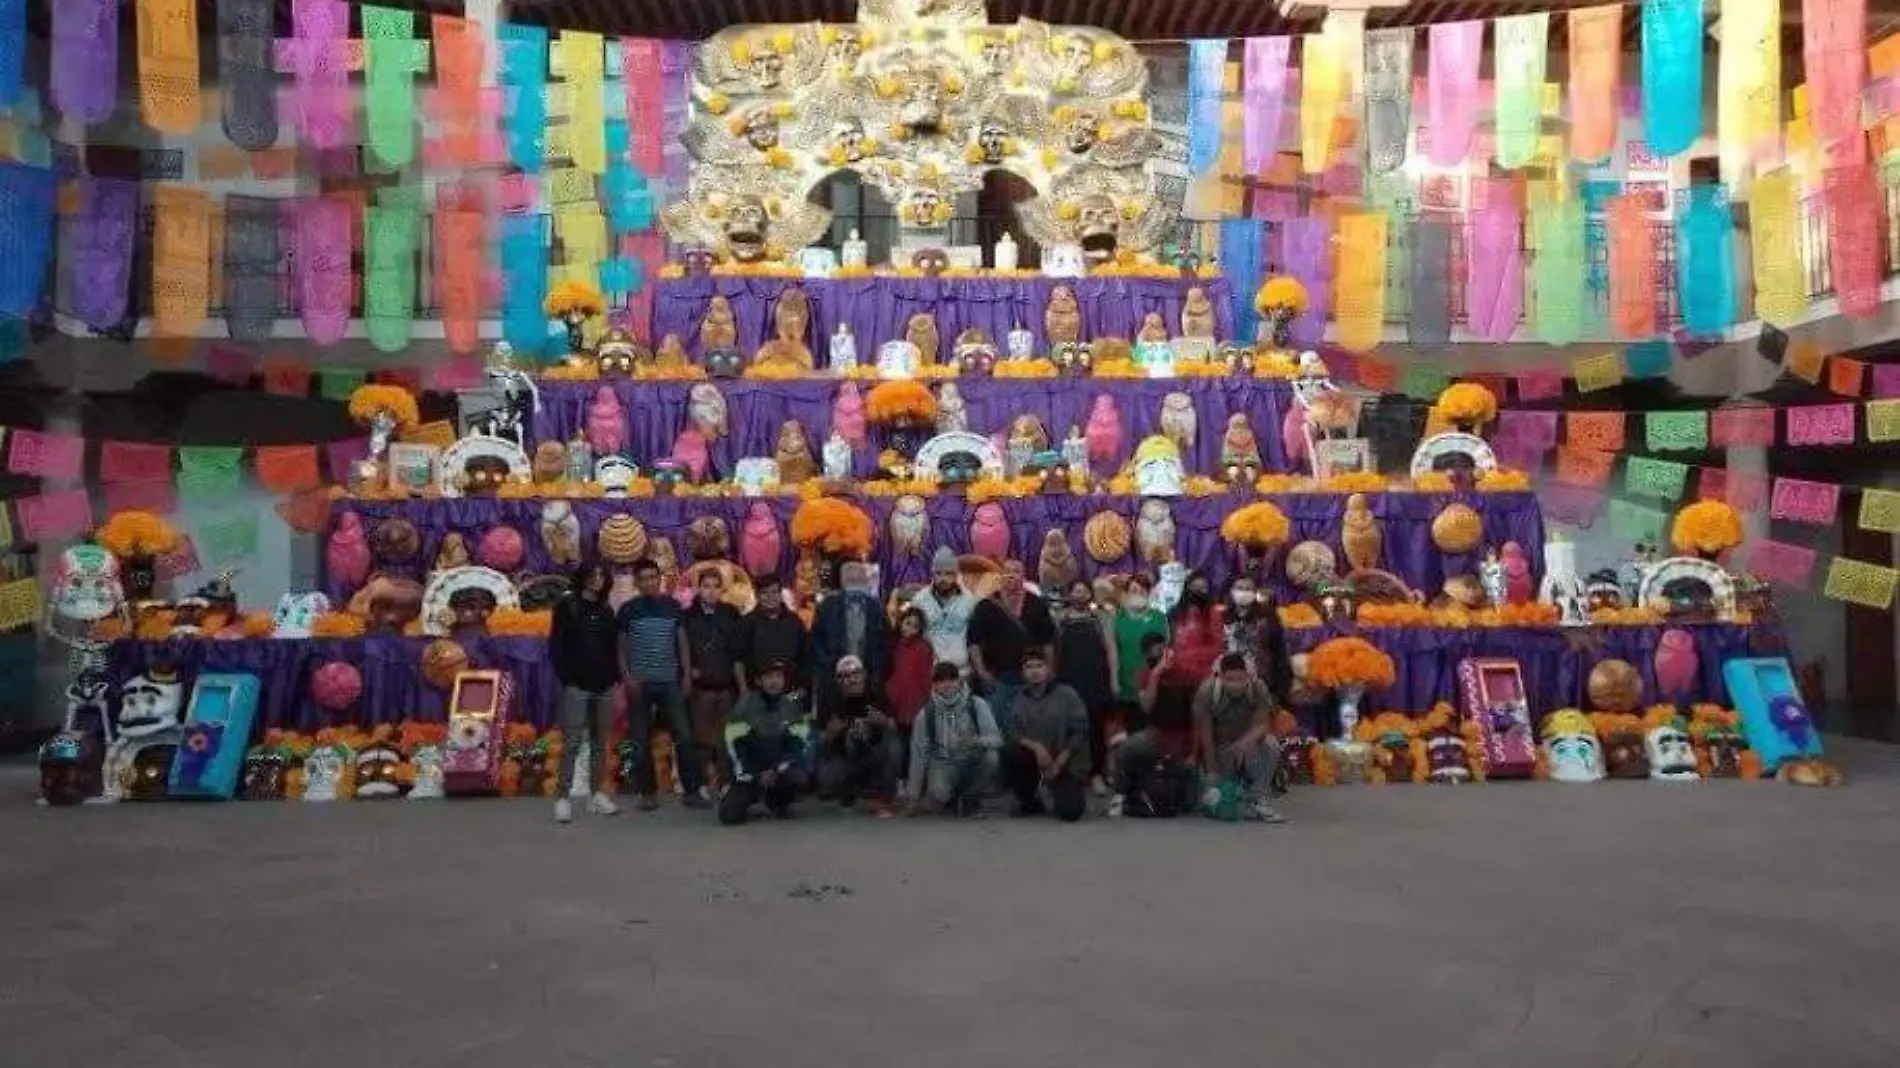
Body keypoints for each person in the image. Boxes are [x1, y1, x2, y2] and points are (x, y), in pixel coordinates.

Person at [616, 557, 708, 810]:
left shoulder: (673, 607)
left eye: (652, 578)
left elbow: (682, 643)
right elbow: (622, 647)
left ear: (660, 579)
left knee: (685, 736)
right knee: (640, 739)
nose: (648, 583)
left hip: (670, 682)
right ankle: (648, 793)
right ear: (636, 583)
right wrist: (627, 675)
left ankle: (692, 792)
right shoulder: (628, 610)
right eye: (643, 579)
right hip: (640, 684)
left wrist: (687, 674)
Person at [548, 561, 620, 823]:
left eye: (601, 574)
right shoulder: (567, 607)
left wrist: (613, 676)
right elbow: (556, 646)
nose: (597, 578)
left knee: (601, 742)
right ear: (584, 577)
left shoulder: (606, 609)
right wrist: (567, 677)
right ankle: (563, 797)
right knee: (573, 742)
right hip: (577, 686)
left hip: (604, 686)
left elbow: (612, 647)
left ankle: (596, 794)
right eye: (593, 573)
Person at [1108, 633, 1199, 818]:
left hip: (1184, 740)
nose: (1160, 656)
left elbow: (1198, 717)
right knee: (1124, 749)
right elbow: (1146, 706)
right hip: (1156, 736)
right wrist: (1156, 674)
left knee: (1187, 803)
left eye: (1162, 650)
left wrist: (1195, 753)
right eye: (1153, 653)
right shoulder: (1145, 675)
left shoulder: (1188, 674)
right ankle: (1120, 794)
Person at [1192, 654, 1288, 823]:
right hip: (1221, 748)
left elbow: (1263, 724)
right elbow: (1205, 734)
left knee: (1270, 744)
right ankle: (1231, 788)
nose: (1235, 684)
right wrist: (1212, 770)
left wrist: (1246, 741)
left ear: (1247, 676)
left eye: (1240, 679)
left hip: (1248, 745)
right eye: (1229, 679)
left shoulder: (1258, 688)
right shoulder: (1207, 691)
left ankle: (1258, 797)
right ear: (1220, 677)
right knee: (1216, 795)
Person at [998, 648, 1090, 822]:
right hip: (1038, 759)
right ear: (1023, 672)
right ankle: (1029, 799)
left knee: (1070, 813)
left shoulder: (1066, 694)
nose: (1034, 671)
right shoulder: (1019, 698)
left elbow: (1080, 731)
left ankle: (1059, 791)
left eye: (1039, 666)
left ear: (1048, 669)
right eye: (1029, 667)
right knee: (1009, 752)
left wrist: (1059, 763)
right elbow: (1012, 732)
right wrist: (1036, 747)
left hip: (1066, 760)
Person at [718, 658, 812, 825]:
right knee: (729, 816)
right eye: (768, 677)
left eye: (778, 677)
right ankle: (748, 798)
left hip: (778, 771)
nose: (774, 682)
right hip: (751, 773)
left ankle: (777, 801)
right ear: (758, 681)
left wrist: (778, 769)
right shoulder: (744, 706)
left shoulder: (791, 707)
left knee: (799, 775)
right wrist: (754, 774)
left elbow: (800, 744)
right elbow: (733, 745)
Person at [965, 559, 1054, 733]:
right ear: (1000, 576)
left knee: (1033, 729)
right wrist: (982, 673)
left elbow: (1047, 641)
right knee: (997, 730)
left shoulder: (1037, 604)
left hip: (1031, 679)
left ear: (1024, 576)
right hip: (998, 679)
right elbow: (973, 643)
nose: (1011, 575)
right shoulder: (986, 605)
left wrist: (1049, 670)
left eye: (1016, 571)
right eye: (1007, 571)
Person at [906, 661, 1001, 817]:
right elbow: (918, 754)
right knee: (938, 793)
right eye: (941, 681)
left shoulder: (977, 704)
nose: (947, 685)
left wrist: (976, 741)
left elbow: (996, 739)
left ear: (959, 681)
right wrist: (913, 796)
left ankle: (971, 798)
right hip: (942, 763)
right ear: (934, 685)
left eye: (951, 679)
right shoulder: (926, 713)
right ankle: (951, 798)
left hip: (971, 759)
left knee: (992, 758)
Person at [682, 567, 746, 788]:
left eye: (715, 586)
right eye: (706, 586)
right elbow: (681, 649)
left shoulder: (731, 614)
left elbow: (738, 651)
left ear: (722, 589)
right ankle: (704, 783)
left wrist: (742, 688)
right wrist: (688, 670)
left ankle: (726, 782)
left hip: (726, 686)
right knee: (701, 738)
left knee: (726, 738)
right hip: (701, 688)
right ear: (698, 588)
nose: (710, 591)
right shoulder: (688, 617)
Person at [1052, 578, 1116, 794]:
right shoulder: (1060, 620)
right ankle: (1070, 774)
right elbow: (1054, 653)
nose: (1079, 595)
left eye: (1083, 591)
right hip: (1068, 681)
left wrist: (1114, 679)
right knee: (1069, 729)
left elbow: (1111, 650)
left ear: (1090, 594)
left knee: (1096, 729)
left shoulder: (1100, 619)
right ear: (1070, 595)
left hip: (1096, 681)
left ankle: (1097, 774)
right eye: (1075, 591)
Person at [818, 655, 902, 817]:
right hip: (846, 754)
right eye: (846, 676)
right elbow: (821, 739)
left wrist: (882, 720)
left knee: (894, 747)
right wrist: (831, 732)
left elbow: (895, 726)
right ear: (838, 680)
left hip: (874, 752)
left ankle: (884, 800)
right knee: (827, 772)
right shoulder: (831, 699)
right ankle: (846, 796)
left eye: (856, 674)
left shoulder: (877, 691)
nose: (852, 680)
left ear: (864, 674)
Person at [811, 561, 889, 719]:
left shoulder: (876, 608)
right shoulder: (827, 607)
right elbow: (816, 643)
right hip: (835, 680)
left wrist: (871, 676)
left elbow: (884, 646)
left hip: (867, 683)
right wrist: (835, 669)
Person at [1111, 573, 1169, 730]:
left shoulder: (1159, 617)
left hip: (1154, 684)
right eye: (1134, 591)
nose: (1138, 595)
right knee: (1131, 730)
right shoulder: (1118, 618)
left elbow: (1167, 649)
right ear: (1126, 594)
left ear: (1149, 594)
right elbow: (1114, 652)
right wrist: (1114, 681)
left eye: (1142, 591)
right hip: (1127, 683)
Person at [1223, 575, 1291, 705]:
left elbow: (1279, 652)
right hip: (1228, 682)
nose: (1243, 592)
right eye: (1239, 588)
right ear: (1231, 591)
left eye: (1248, 589)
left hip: (1261, 682)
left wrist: (1280, 690)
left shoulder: (1267, 617)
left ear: (1255, 592)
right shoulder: (1222, 617)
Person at [886, 605, 935, 780]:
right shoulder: (892, 646)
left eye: (915, 626)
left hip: (916, 705)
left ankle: (913, 782)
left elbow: (926, 678)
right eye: (908, 623)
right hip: (894, 705)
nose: (910, 629)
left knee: (915, 745)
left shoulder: (924, 648)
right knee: (896, 746)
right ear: (900, 622)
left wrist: (924, 704)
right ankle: (899, 782)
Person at [739, 573, 808, 699]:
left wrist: (802, 689)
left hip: (790, 693)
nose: (770, 597)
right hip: (756, 694)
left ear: (781, 595)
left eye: (774, 592)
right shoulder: (747, 622)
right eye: (765, 593)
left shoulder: (794, 621)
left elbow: (805, 657)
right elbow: (739, 660)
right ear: (757, 595)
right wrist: (744, 691)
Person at [913, 547, 978, 672]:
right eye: (938, 573)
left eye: (948, 573)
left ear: (956, 575)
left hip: (963, 673)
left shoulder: (969, 600)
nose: (943, 579)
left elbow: (975, 640)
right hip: (931, 672)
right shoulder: (920, 600)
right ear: (932, 574)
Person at [1166, 568, 1226, 685]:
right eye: (1194, 587)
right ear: (1186, 589)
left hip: (1205, 674)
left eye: (1202, 588)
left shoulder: (1214, 614)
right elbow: (1170, 642)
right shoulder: (1174, 613)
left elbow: (1217, 645)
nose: (1198, 592)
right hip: (1178, 673)